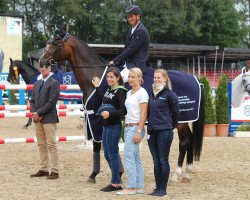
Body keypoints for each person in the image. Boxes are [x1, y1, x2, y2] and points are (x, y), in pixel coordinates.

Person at [92, 67, 127, 192]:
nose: (109, 79)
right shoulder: (109, 89)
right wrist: (97, 87)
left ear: (118, 78)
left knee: (112, 154)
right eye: (108, 77)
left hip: (114, 125)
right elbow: (104, 99)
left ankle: (115, 183)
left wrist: (110, 114)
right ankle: (117, 179)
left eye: (112, 77)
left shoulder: (121, 91)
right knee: (107, 154)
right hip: (106, 125)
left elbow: (124, 110)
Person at [147, 69, 180, 197]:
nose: (156, 80)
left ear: (165, 79)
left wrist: (171, 126)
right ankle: (157, 188)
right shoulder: (151, 93)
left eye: (158, 78)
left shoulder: (170, 95)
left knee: (163, 160)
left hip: (164, 131)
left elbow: (176, 113)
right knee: (156, 161)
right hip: (152, 132)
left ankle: (163, 189)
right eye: (155, 78)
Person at [116, 67, 148, 195]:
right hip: (128, 126)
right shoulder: (129, 93)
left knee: (128, 156)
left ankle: (131, 187)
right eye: (129, 77)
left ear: (139, 78)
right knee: (135, 157)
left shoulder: (142, 93)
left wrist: (139, 131)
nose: (130, 79)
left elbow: (144, 113)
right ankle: (139, 186)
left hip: (136, 127)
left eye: (133, 77)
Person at [30, 60, 60, 179]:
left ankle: (55, 170)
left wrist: (39, 112)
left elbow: (52, 102)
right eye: (41, 66)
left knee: (51, 144)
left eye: (46, 66)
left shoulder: (54, 83)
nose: (43, 68)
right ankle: (43, 168)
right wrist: (34, 112)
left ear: (50, 68)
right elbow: (32, 100)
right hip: (37, 117)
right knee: (41, 144)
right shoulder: (37, 83)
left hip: (48, 117)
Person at [108, 5, 150, 82]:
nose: (130, 19)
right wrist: (117, 62)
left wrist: (114, 60)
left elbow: (131, 50)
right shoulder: (131, 30)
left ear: (138, 17)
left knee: (117, 81)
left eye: (132, 16)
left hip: (136, 65)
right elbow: (126, 49)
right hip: (128, 63)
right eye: (128, 17)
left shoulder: (142, 31)